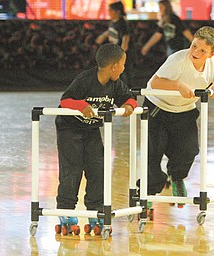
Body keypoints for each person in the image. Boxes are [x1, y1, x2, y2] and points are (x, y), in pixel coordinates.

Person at [141, 26, 214, 207]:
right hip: (157, 107)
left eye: (202, 50)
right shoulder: (177, 60)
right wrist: (177, 85)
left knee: (189, 150)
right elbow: (156, 81)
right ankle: (148, 193)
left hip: (184, 110)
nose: (196, 52)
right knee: (153, 151)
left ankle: (177, 177)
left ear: (211, 54)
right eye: (194, 46)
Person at [55, 43, 137, 234]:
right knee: (72, 169)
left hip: (91, 130)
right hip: (70, 129)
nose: (124, 68)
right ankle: (65, 210)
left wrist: (129, 107)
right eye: (123, 65)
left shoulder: (115, 84)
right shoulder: (85, 80)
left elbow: (129, 97)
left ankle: (96, 211)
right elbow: (65, 100)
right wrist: (80, 106)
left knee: (97, 169)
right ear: (114, 66)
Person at [95, 1, 134, 87]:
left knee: (123, 72)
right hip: (115, 51)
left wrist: (122, 50)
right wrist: (102, 37)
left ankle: (127, 90)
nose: (109, 13)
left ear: (117, 11)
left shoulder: (122, 22)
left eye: (110, 11)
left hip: (120, 52)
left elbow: (126, 36)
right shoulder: (114, 22)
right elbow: (110, 31)